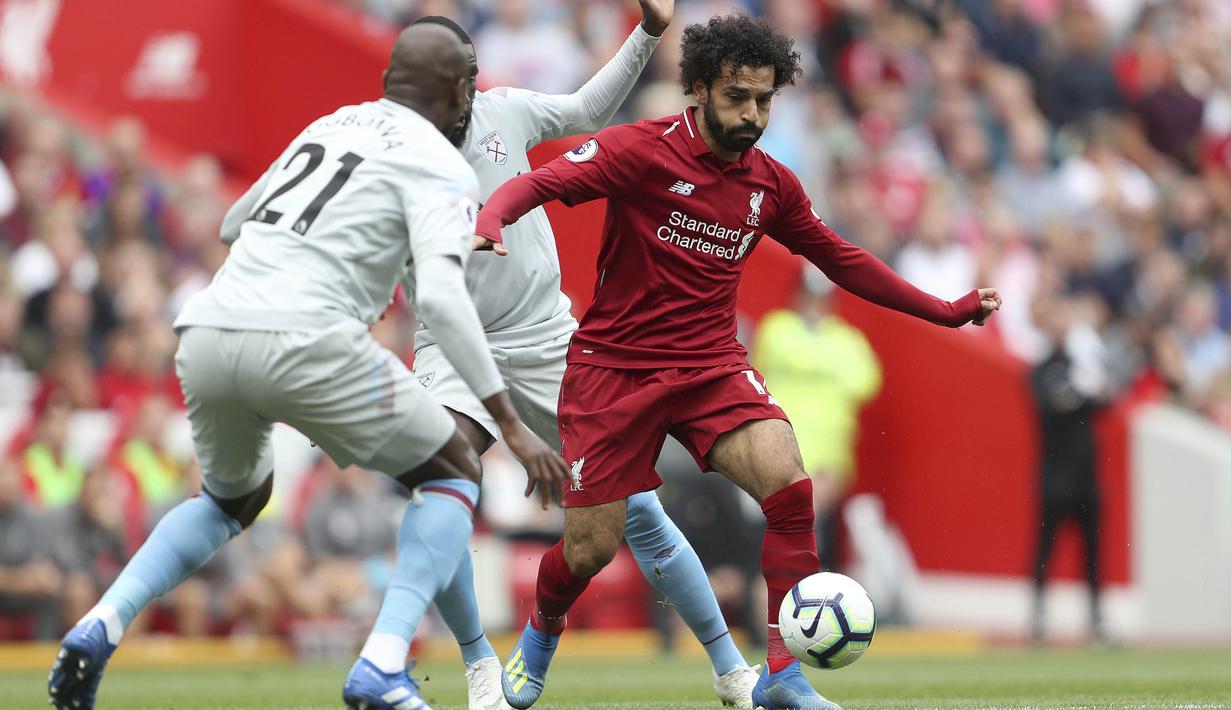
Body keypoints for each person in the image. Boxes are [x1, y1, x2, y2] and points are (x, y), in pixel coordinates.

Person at [475, 14, 1001, 710]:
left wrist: (943, 309)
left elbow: (839, 258)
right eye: (736, 98)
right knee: (589, 550)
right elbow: (538, 183)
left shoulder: (769, 184)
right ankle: (540, 634)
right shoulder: (640, 150)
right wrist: (491, 218)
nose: (751, 114)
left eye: (762, 100)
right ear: (696, 89)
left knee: (788, 485)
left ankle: (782, 676)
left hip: (709, 367)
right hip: (613, 370)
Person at [47, 23, 568, 710]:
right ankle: (382, 663)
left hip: (209, 326)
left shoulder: (331, 124)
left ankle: (98, 626)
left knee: (229, 500)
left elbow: (235, 220)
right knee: (453, 469)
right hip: (305, 337)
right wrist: (509, 420)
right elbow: (441, 298)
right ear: (458, 92)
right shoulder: (442, 164)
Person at [405, 4, 761, 708]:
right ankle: (480, 665)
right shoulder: (395, 151)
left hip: (545, 342)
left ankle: (729, 669)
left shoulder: (504, 111)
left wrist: (650, 31)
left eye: (468, 75)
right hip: (451, 343)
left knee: (639, 515)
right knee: (441, 489)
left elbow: (585, 110)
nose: (465, 88)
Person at [752, 271, 881, 567]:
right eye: (809, 296)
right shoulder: (777, 328)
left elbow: (866, 383)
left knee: (819, 530)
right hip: (780, 447)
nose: (815, 305)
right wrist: (827, 366)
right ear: (797, 296)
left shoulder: (847, 338)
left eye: (821, 298)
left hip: (828, 454)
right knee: (778, 524)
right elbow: (775, 357)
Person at [1029, 294, 1108, 643]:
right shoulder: (1041, 368)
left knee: (1093, 553)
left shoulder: (1083, 363)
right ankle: (1038, 619)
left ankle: (1096, 621)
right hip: (1055, 473)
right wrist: (1082, 390)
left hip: (1086, 473)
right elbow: (1052, 405)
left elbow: (1105, 399)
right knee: (1044, 548)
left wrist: (1084, 388)